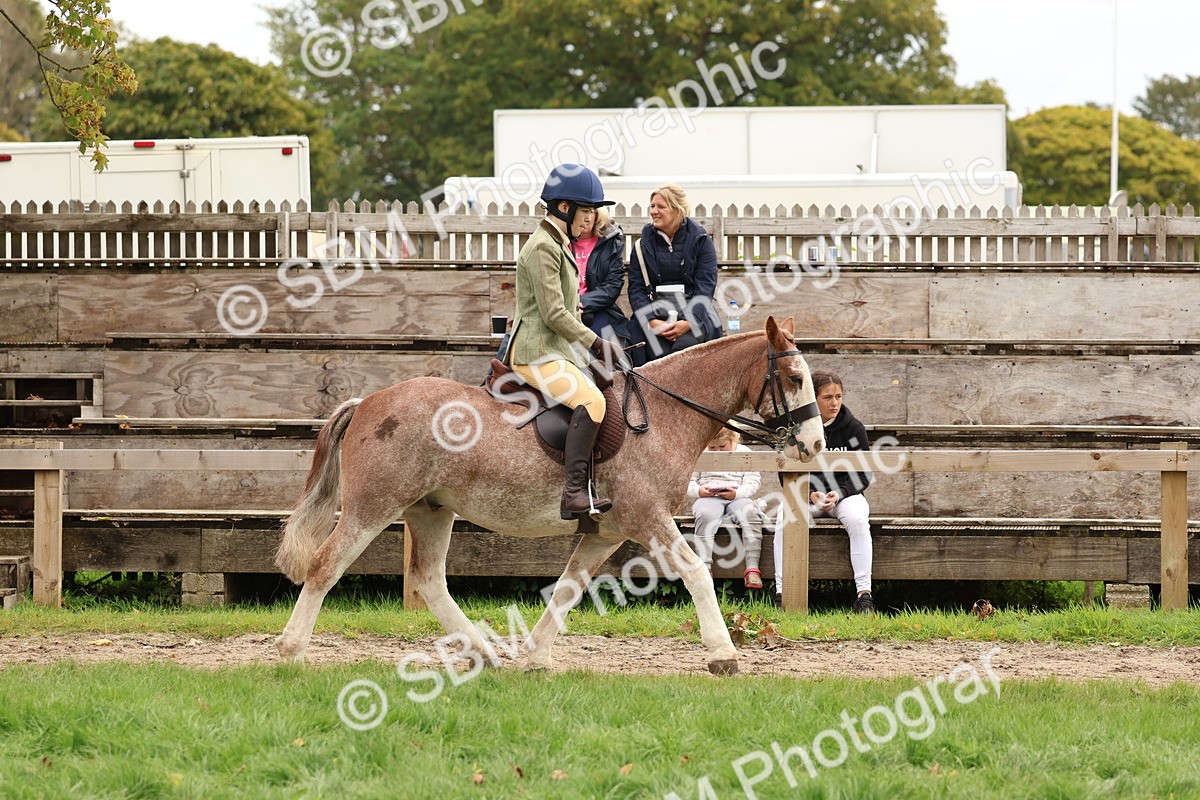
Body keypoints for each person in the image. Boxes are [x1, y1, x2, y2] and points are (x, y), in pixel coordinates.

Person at [507, 163, 626, 520]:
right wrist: (596, 344)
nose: (591, 218)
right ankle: (573, 492)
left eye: (591, 211)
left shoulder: (558, 243)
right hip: (535, 353)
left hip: (555, 348)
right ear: (564, 207)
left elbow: (562, 306)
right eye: (586, 210)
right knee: (591, 402)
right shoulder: (543, 246)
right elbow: (554, 315)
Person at [774, 370, 875, 613]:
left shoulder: (853, 428)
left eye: (838, 396)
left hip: (843, 495)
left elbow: (864, 474)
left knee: (858, 518)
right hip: (809, 495)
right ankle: (781, 593)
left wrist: (839, 493)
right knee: (783, 517)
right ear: (814, 398)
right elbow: (784, 470)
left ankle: (864, 595)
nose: (834, 402)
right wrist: (810, 493)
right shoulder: (796, 428)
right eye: (827, 397)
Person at [627, 184, 722, 361]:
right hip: (655, 315)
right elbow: (636, 288)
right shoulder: (641, 245)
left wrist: (688, 322)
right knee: (658, 356)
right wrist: (650, 320)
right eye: (652, 206)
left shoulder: (701, 241)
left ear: (678, 211)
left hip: (694, 314)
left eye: (661, 206)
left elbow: (705, 287)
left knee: (683, 352)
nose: (654, 211)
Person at [686, 429, 766, 589]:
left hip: (738, 497)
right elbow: (689, 480)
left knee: (750, 513)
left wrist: (737, 493)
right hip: (708, 497)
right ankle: (704, 568)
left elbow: (752, 481)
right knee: (705, 515)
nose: (717, 451)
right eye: (712, 448)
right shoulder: (701, 452)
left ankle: (752, 568)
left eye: (722, 446)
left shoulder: (744, 453)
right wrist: (699, 491)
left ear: (733, 439)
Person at [573, 207, 635, 361]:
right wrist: (569, 304)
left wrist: (581, 303)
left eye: (591, 212)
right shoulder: (560, 240)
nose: (587, 218)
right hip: (562, 311)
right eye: (582, 212)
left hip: (598, 308)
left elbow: (613, 285)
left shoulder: (610, 240)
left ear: (598, 215)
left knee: (611, 353)